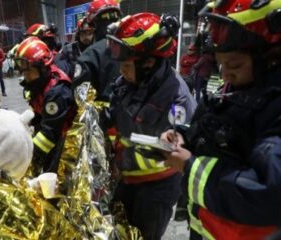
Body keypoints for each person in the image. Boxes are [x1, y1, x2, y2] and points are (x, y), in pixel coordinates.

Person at [161, 0, 281, 239]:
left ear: (272, 57)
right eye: (219, 63)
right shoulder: (241, 88)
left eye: (234, 64)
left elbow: (269, 194)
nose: (224, 73)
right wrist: (184, 136)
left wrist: (189, 166)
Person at [104, 12, 196, 239]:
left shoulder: (177, 100)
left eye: (126, 65)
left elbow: (179, 150)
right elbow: (116, 114)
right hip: (126, 179)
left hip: (157, 189)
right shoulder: (129, 82)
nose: (121, 71)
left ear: (149, 62)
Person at [14, 37, 75, 174]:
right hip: (53, 132)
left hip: (64, 141)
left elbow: (50, 134)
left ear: (42, 67)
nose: (25, 76)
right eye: (23, 72)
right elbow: (39, 114)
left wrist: (27, 157)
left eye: (28, 71)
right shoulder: (40, 83)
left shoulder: (56, 93)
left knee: (53, 176)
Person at [72, 0, 122, 102]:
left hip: (104, 116)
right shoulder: (134, 46)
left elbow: (82, 98)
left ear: (93, 24)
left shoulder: (90, 55)